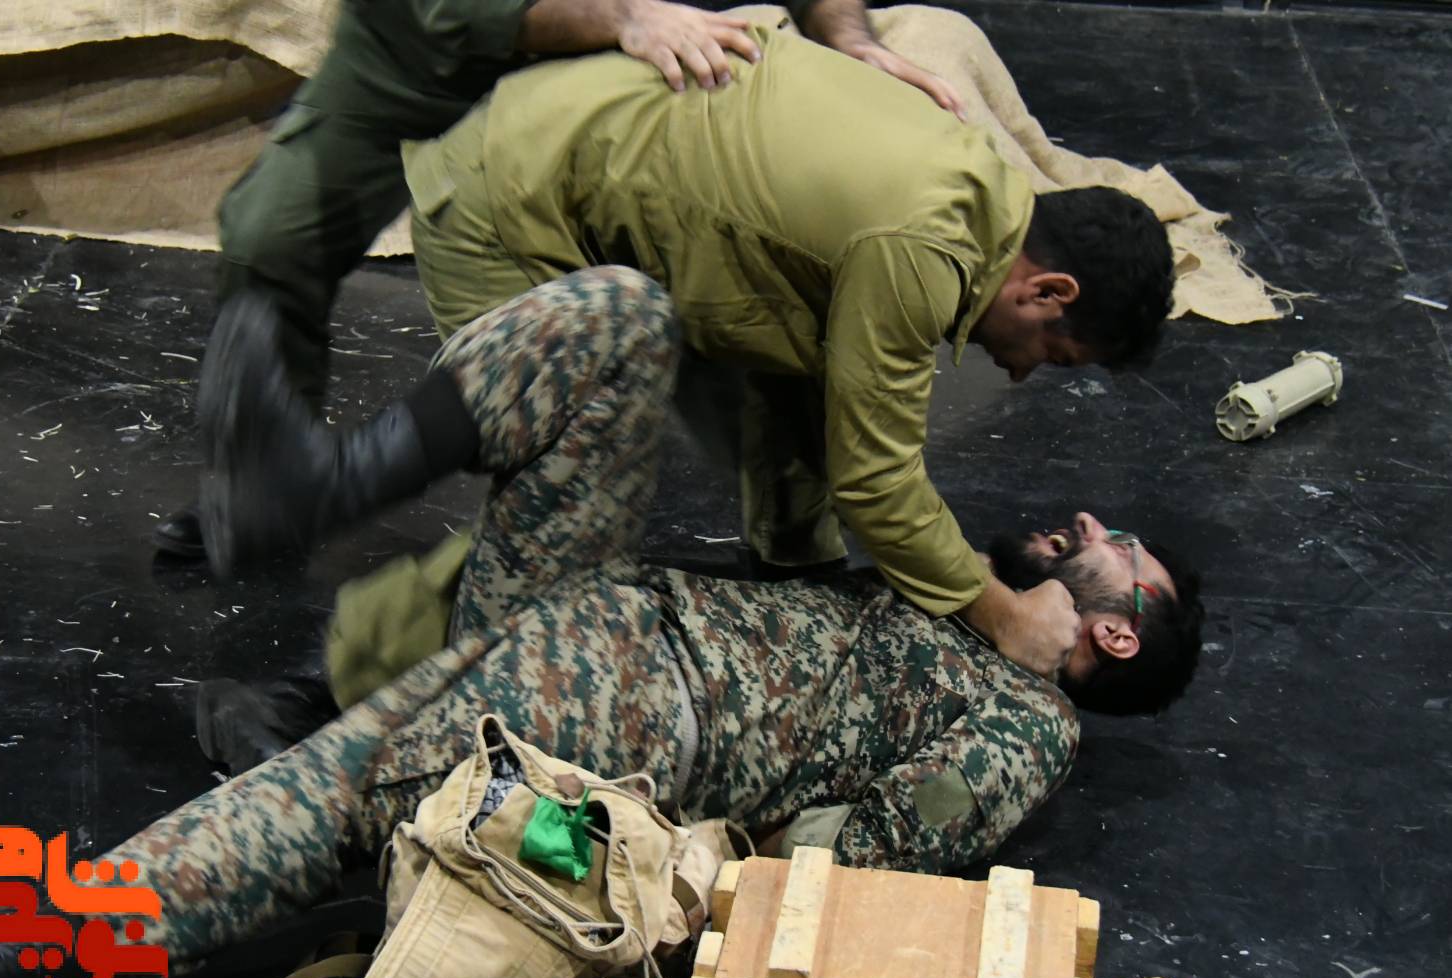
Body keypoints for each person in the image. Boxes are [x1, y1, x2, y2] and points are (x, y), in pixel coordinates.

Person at [0, 269, 1202, 978]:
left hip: (624, 717)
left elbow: (849, 859)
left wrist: (660, 871)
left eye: (1113, 552)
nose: (1087, 527)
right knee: (617, 319)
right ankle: (324, 484)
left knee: (309, 807)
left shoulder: (1028, 728)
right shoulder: (964, 594)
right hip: (598, 621)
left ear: (1118, 632)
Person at [196, 22, 1178, 684]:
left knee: (797, 377)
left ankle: (787, 566)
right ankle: (335, 674)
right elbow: (878, 477)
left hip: (610, 178)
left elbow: (820, 397)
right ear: (1048, 290)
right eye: (1050, 354)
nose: (1018, 371)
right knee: (555, 506)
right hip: (509, 192)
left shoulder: (972, 179)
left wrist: (806, 582)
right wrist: (1000, 613)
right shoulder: (924, 248)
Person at [151, 0, 965, 558]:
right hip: (442, 55)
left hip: (640, 66)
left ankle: (793, 551)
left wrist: (849, 40)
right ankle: (269, 492)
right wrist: (622, 14)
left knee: (748, 280)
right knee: (270, 232)